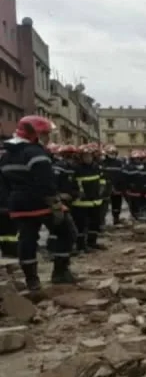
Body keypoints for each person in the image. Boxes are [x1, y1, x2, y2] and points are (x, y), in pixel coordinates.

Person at [0, 116, 77, 295]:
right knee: (67, 232)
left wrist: (10, 201)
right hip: (41, 203)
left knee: (27, 240)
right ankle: (60, 272)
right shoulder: (35, 152)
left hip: (18, 205)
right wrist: (55, 203)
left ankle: (32, 281)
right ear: (33, 134)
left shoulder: (7, 155)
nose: (47, 138)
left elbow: (4, 183)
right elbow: (46, 182)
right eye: (45, 134)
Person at [72, 143, 105, 252]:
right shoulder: (76, 168)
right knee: (81, 225)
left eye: (90, 156)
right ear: (80, 157)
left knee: (95, 223)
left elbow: (101, 179)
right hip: (81, 203)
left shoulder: (96, 166)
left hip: (95, 201)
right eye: (85, 156)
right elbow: (72, 184)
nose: (88, 158)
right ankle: (80, 246)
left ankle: (92, 243)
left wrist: (101, 189)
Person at [100, 144, 125, 225]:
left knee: (117, 204)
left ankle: (116, 218)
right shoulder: (102, 163)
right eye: (111, 153)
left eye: (114, 153)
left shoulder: (119, 163)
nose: (112, 154)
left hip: (117, 188)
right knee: (104, 206)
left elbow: (121, 176)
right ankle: (102, 220)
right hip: (106, 188)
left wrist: (120, 187)